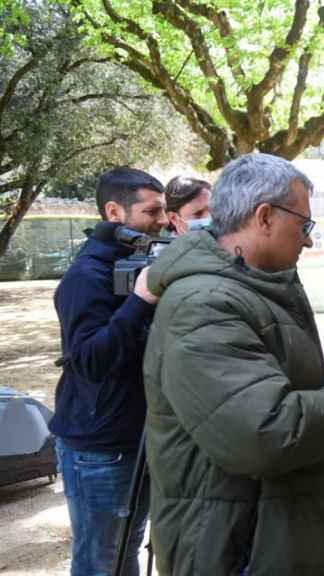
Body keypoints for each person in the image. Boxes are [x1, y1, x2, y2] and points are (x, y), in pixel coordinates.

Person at [141, 153, 324, 575]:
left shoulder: (259, 286)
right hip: (239, 550)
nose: (307, 241)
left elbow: (295, 397)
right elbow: (265, 432)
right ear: (264, 217)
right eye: (304, 225)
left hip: (278, 537)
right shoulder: (204, 306)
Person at [50, 167, 167, 576]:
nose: (163, 221)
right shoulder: (85, 277)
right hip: (99, 450)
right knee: (102, 562)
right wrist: (140, 301)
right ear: (114, 211)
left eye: (165, 210)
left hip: (138, 437)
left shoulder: (137, 263)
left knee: (126, 550)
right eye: (152, 211)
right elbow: (88, 362)